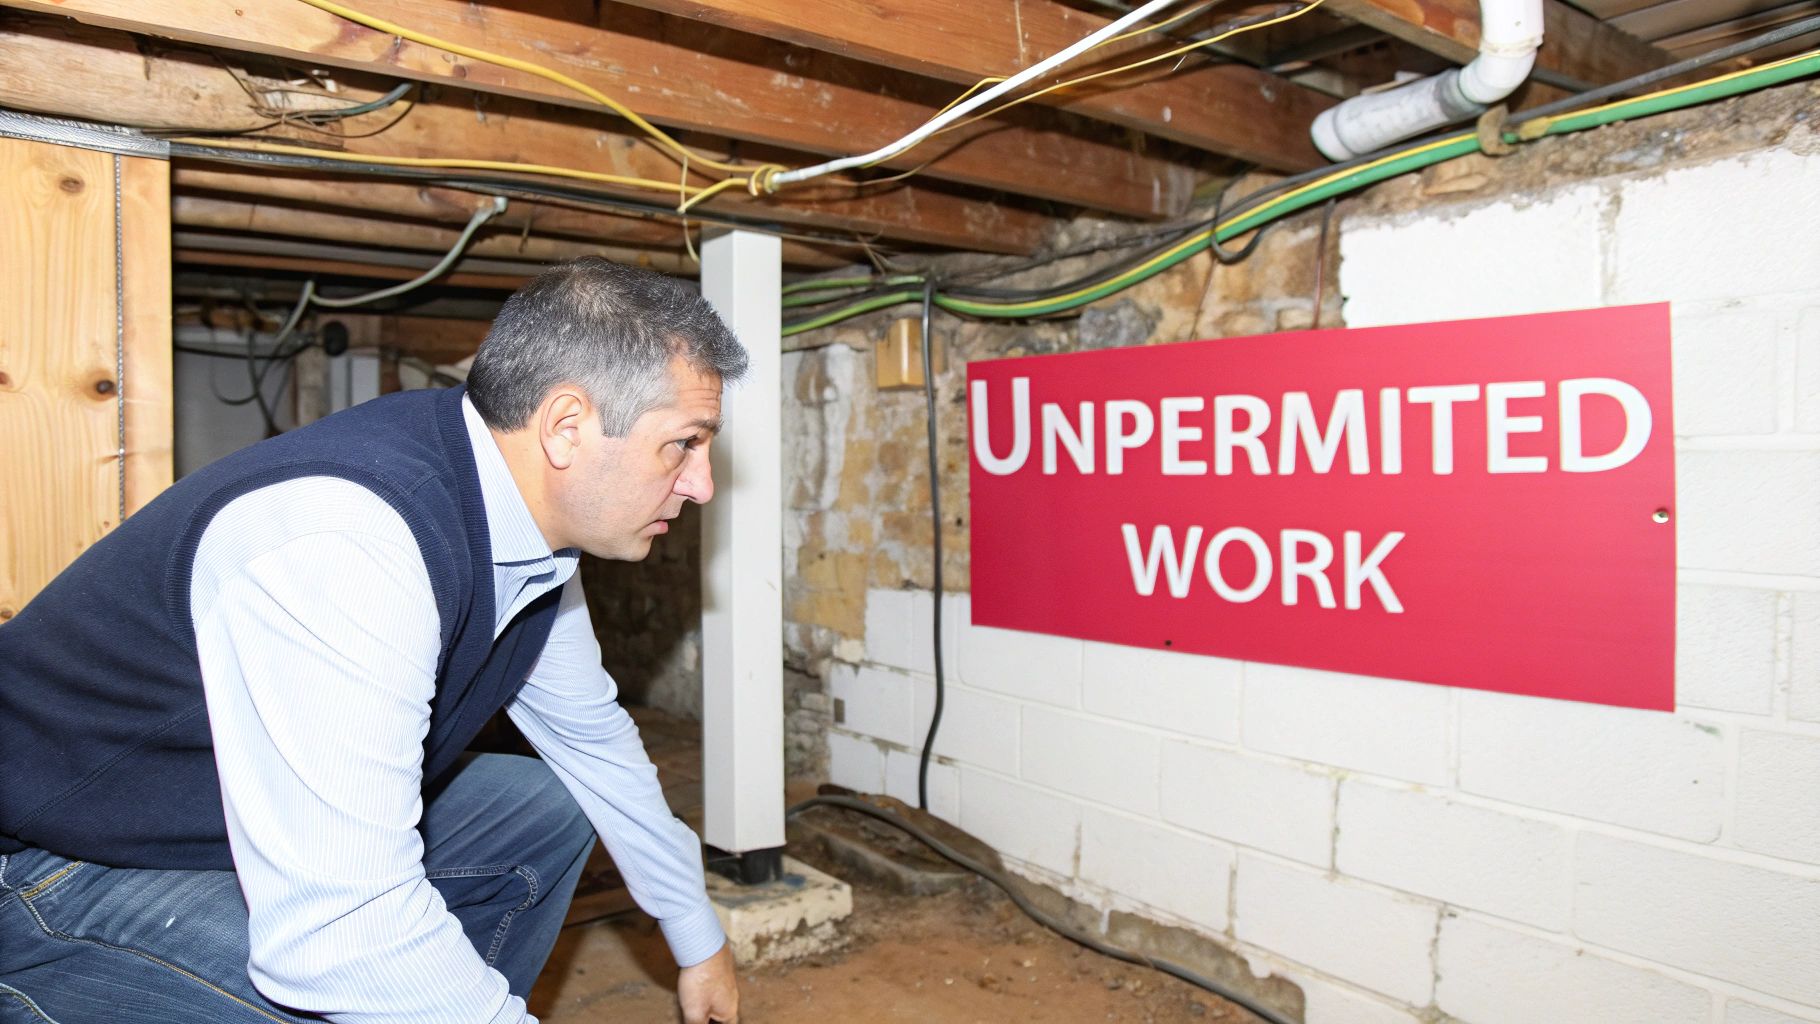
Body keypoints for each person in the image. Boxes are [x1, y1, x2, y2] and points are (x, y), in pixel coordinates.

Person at [0, 257, 745, 1024]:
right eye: (684, 444)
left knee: (543, 809)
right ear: (565, 426)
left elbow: (591, 739)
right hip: (53, 867)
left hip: (203, 822)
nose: (702, 484)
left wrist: (698, 938)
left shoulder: (529, 532)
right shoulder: (349, 540)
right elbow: (343, 930)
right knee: (340, 972)